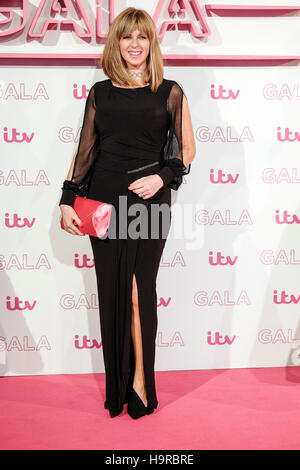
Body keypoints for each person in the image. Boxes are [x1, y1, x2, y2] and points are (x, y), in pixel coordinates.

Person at [58, 7, 196, 419]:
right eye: (126, 37)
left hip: (149, 204)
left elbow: (187, 149)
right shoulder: (100, 93)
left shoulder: (169, 91)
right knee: (113, 294)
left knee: (140, 294)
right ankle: (117, 387)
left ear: (151, 43)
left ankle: (141, 383)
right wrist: (68, 198)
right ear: (115, 43)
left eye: (142, 37)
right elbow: (86, 150)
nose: (134, 45)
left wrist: (163, 177)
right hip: (102, 201)